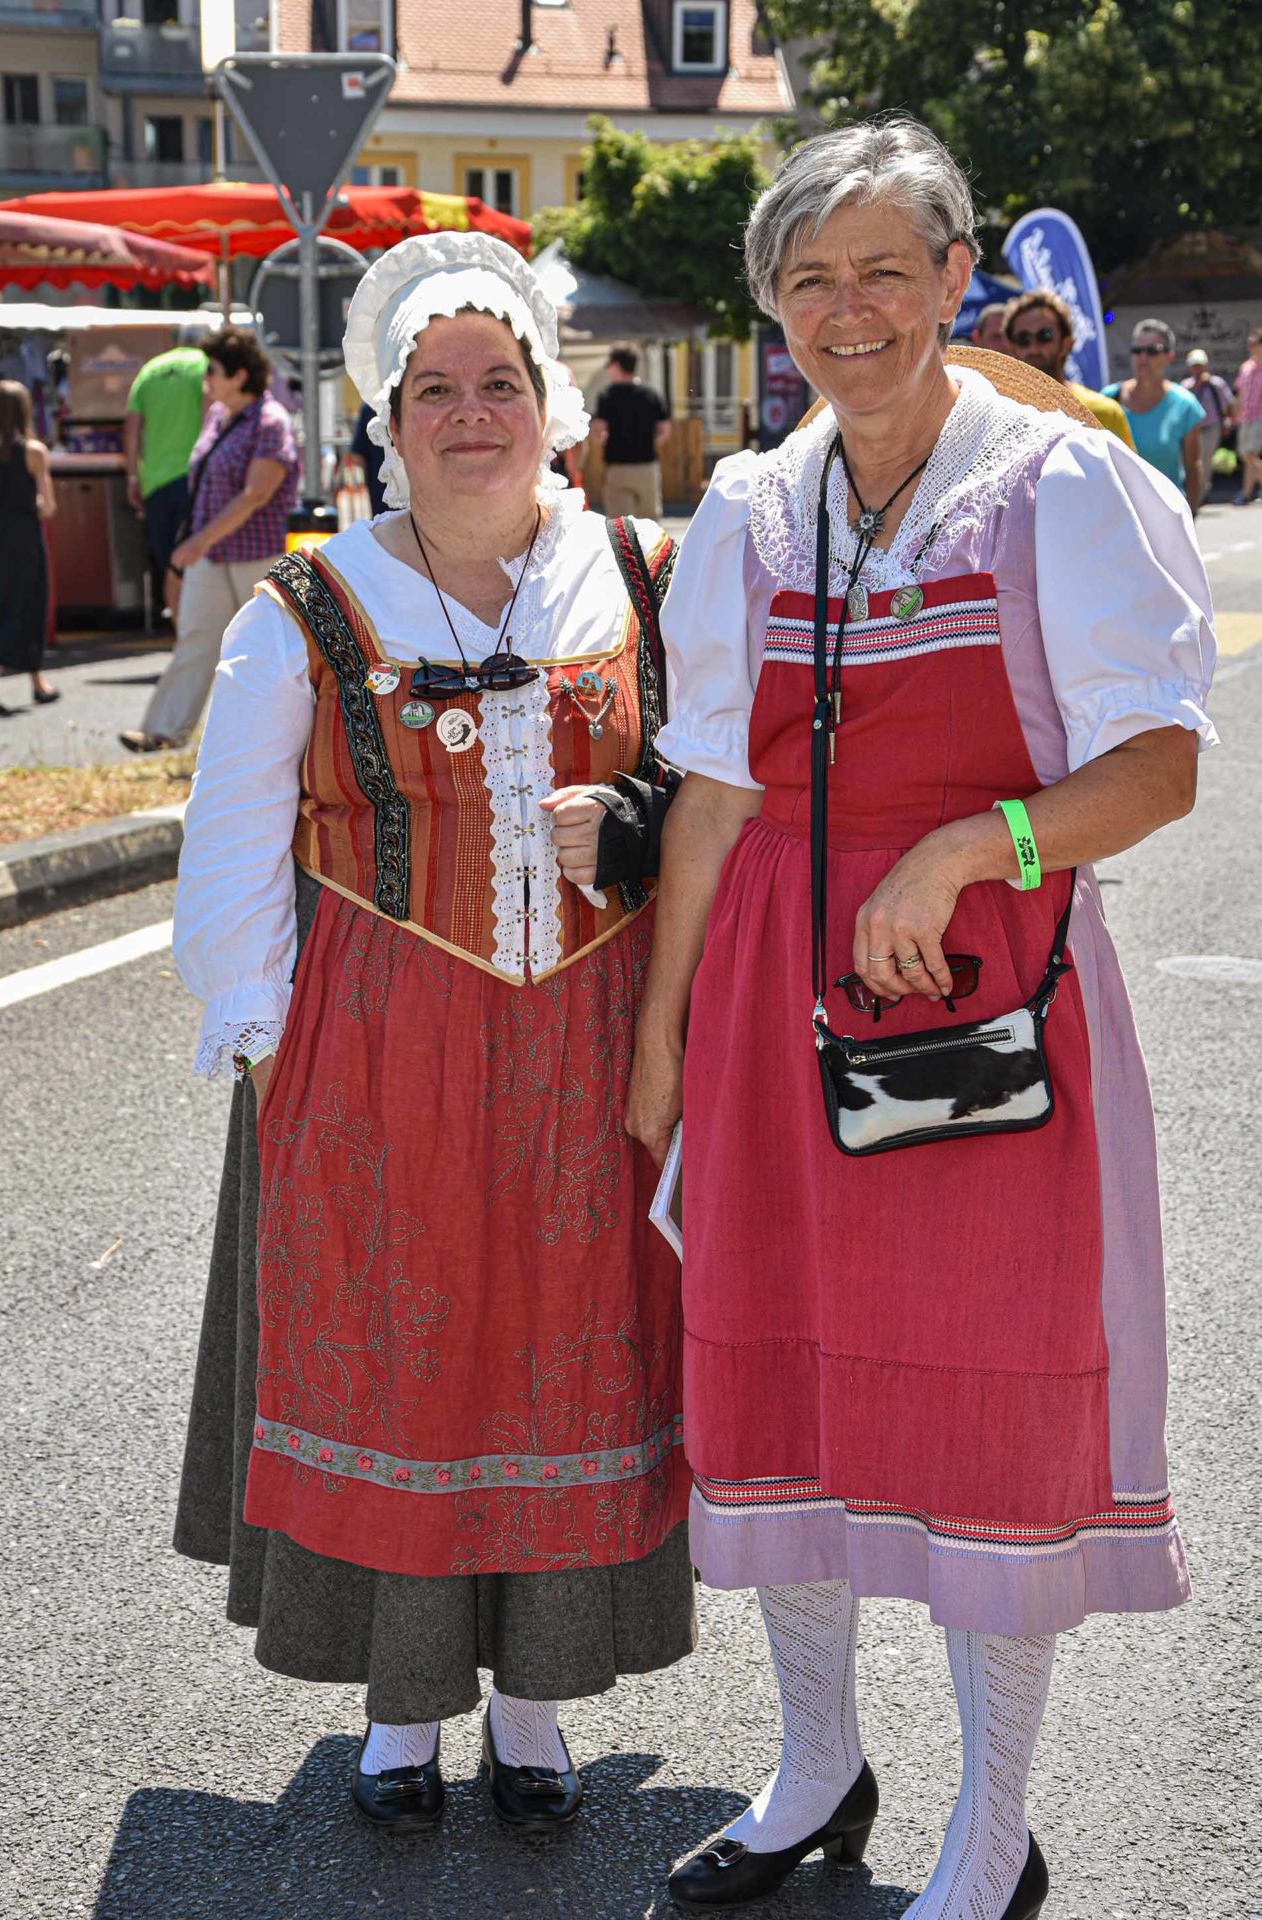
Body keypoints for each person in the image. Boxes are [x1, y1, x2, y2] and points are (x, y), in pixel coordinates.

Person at [627, 117, 1215, 1918]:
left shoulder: (1058, 487)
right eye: (810, 280)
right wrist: (660, 1042)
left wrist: (974, 845)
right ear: (772, 308)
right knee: (783, 1381)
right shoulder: (748, 509)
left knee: (982, 1399)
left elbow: (1162, 767)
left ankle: (995, 1833)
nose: (850, 311)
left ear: (959, 277)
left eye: (887, 269)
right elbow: (714, 798)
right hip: (767, 1000)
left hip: (986, 1004)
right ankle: (815, 1770)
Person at [170, 231, 694, 1836]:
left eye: (500, 383)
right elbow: (233, 840)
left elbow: (728, 787)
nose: (472, 415)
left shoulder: (642, 574)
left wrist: (641, 818)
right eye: (436, 390)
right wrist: (266, 1040)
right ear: (387, 420)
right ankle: (402, 1713)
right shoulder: (310, 603)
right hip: (376, 1045)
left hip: (595, 1043)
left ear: (552, 405)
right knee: (406, 1362)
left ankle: (533, 1707)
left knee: (564, 1358)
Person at [120, 326, 298, 755]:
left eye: (213, 371)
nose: (205, 380)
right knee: (195, 640)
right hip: (213, 554)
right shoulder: (218, 416)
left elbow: (256, 494)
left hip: (256, 555)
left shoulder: (271, 421)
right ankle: (163, 731)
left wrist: (198, 541)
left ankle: (279, 742)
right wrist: (196, 542)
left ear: (239, 376)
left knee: (270, 653)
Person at [0, 379, 58, 718]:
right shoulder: (34, 451)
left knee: (9, 601)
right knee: (29, 603)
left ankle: (38, 682)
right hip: (27, 534)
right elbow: (48, 506)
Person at [124, 324, 209, 619]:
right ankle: (193, 625)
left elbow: (131, 429)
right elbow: (211, 417)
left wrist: (133, 476)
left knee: (167, 561)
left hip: (154, 481)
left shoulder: (149, 370)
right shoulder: (206, 367)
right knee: (195, 560)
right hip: (194, 479)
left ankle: (179, 625)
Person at [1003, 288, 1135, 448]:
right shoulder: (999, 416)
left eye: (1045, 336)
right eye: (1023, 338)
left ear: (1066, 344)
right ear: (1011, 347)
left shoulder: (1105, 412)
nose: (1034, 347)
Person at [1103, 318, 1205, 509]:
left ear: (1169, 356)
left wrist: (1190, 513)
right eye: (1137, 350)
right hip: (1116, 516)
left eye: (1152, 351)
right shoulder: (1107, 400)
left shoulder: (1185, 405)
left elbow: (1193, 467)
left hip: (1167, 514)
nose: (1143, 357)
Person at [591, 344, 670, 518]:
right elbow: (664, 430)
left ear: (616, 366)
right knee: (650, 523)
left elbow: (598, 430)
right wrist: (647, 441)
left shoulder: (607, 396)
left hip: (618, 467)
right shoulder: (651, 394)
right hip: (647, 466)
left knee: (621, 526)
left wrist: (605, 440)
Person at [1180, 349, 1233, 507]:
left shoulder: (1216, 384)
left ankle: (1200, 495)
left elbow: (1228, 404)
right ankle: (1191, 493)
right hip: (1190, 430)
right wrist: (1196, 385)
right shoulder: (1185, 386)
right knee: (1190, 461)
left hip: (1211, 427)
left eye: (1200, 365)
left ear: (1206, 366)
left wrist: (1227, 421)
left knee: (1205, 461)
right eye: (1194, 366)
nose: (1197, 369)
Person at [1233, 325, 1262, 505]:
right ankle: (1246, 493)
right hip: (1245, 417)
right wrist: (1235, 414)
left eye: (1254, 344)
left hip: (1260, 417)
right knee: (1246, 457)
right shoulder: (1245, 367)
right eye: (1249, 344)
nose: (1250, 347)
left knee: (1250, 454)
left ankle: (1245, 494)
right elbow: (1240, 392)